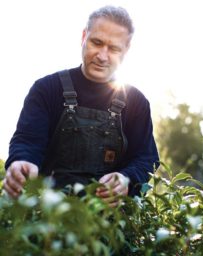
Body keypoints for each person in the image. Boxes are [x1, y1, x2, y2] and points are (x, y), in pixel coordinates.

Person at [2, 6, 159, 207]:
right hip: (46, 215)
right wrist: (22, 162)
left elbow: (146, 158)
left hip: (109, 223)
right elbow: (28, 141)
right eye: (97, 42)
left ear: (125, 51)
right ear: (84, 36)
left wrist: (127, 179)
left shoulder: (136, 102)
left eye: (113, 48)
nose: (102, 56)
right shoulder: (47, 89)